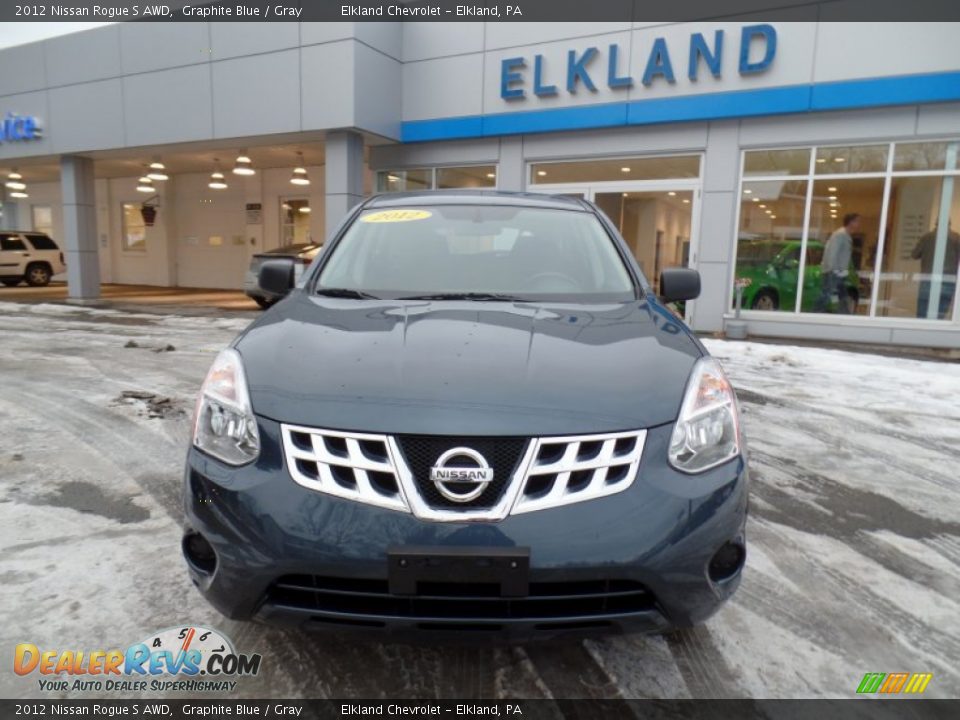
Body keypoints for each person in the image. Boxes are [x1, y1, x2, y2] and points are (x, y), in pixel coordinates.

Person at [912, 221, 960, 319]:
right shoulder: (957, 238)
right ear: (949, 224)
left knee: (923, 310)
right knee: (941, 311)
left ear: (936, 224)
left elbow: (914, 254)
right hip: (948, 278)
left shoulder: (926, 238)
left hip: (928, 277)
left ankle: (920, 331)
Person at [815, 213, 860, 313]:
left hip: (839, 272)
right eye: (857, 221)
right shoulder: (840, 234)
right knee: (826, 294)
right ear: (850, 222)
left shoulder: (846, 235)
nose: (858, 224)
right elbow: (832, 251)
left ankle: (845, 315)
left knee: (842, 295)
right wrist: (834, 269)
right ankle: (815, 314)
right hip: (834, 272)